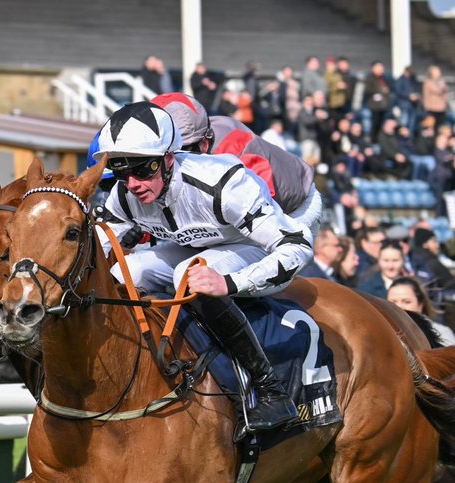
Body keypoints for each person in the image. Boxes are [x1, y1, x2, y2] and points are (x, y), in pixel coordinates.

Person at [95, 101, 310, 431]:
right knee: (123, 274)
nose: (134, 184)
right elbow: (95, 247)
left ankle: (270, 390)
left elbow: (297, 246)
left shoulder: (221, 183)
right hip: (197, 246)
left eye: (143, 170)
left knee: (189, 275)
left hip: (254, 245)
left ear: (169, 158)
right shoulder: (124, 196)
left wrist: (230, 283)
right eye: (123, 173)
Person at [150, 92, 323, 235]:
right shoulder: (195, 130)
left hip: (294, 208)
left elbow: (260, 209)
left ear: (202, 142)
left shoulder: (235, 148)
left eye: (178, 151)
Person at [385, 274, 455, 345]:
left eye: (407, 302)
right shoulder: (381, 331)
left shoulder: (441, 333)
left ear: (420, 305)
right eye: (393, 302)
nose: (399, 307)